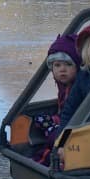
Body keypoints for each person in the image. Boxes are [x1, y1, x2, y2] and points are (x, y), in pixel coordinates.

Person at [30, 34, 79, 165]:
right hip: (64, 121)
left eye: (68, 64)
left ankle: (51, 143)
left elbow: (74, 114)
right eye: (57, 65)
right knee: (39, 118)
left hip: (74, 128)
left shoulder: (78, 88)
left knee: (53, 139)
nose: (62, 70)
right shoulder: (64, 86)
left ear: (78, 66)